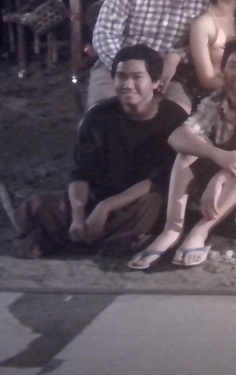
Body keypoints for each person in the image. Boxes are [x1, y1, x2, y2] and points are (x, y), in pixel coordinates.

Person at [14, 45, 187, 258]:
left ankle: (98, 242)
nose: (128, 85)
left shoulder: (173, 118)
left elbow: (161, 179)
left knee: (154, 206)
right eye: (121, 77)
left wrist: (107, 206)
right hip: (97, 198)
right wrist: (78, 216)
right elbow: (80, 173)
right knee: (38, 206)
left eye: (137, 77)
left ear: (155, 82)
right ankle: (90, 237)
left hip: (137, 201)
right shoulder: (99, 116)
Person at [128, 37, 236, 269]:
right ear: (223, 69)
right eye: (233, 66)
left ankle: (201, 230)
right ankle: (172, 229)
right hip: (221, 163)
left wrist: (220, 177)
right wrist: (218, 155)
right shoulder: (216, 100)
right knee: (189, 149)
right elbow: (177, 136)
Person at [90, 0, 211, 113]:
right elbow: (104, 33)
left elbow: (202, 44)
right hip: (115, 68)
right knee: (101, 116)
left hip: (167, 75)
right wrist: (128, 70)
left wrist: (178, 56)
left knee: (177, 117)